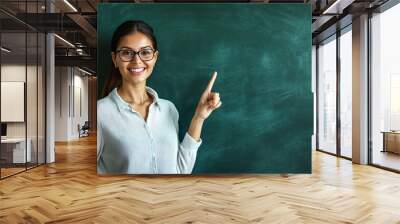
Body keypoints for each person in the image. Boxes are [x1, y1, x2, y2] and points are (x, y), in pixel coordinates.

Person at [97, 20, 222, 174]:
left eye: (145, 52)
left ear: (155, 57)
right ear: (115, 58)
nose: (137, 60)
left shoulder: (169, 109)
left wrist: (199, 117)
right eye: (127, 52)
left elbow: (180, 172)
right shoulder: (100, 113)